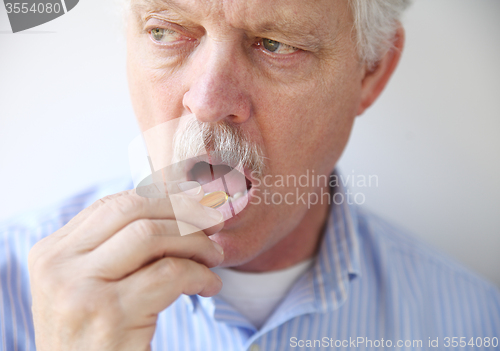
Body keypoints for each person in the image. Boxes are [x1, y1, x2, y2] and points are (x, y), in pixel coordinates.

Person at [1, 0, 499, 350]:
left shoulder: (478, 325)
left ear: (369, 72)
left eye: (276, 44)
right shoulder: (10, 291)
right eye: (166, 30)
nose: (209, 103)